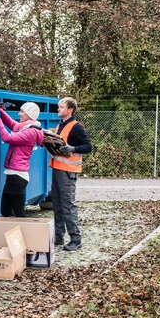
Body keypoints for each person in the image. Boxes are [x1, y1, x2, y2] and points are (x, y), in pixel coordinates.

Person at [50, 97, 92, 251]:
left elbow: (88, 147)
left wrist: (72, 148)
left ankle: (76, 239)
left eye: (61, 107)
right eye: (58, 107)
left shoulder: (76, 127)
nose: (58, 109)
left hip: (68, 172)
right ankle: (59, 237)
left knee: (68, 205)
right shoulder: (60, 125)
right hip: (58, 169)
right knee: (57, 204)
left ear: (70, 110)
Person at [0, 102, 44, 217]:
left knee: (18, 213)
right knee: (6, 211)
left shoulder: (31, 132)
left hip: (18, 177)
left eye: (22, 111)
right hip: (14, 176)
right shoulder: (26, 127)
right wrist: (0, 111)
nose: (19, 114)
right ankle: (13, 234)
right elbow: (12, 124)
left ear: (29, 114)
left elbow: (7, 137)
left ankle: (26, 234)